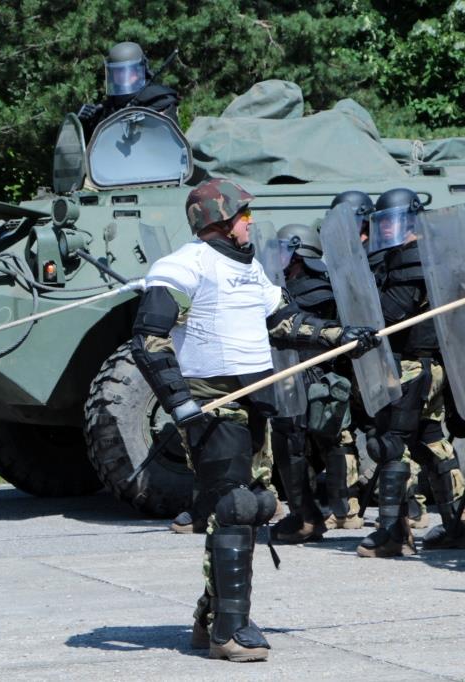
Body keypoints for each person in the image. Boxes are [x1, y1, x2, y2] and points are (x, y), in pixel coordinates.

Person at [130, 178, 377, 661]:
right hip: (208, 402)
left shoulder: (251, 271)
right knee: (236, 506)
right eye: (244, 216)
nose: (251, 223)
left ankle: (211, 613)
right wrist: (180, 405)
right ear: (220, 220)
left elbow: (285, 323)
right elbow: (149, 339)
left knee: (253, 505)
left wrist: (339, 334)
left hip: (253, 400)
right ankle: (229, 628)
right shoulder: (184, 267)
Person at [356, 188, 465, 558]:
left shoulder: (415, 259)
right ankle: (460, 525)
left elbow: (391, 313)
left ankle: (394, 532)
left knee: (391, 444)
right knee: (430, 442)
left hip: (413, 366)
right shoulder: (410, 256)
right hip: (419, 366)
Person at [269, 222, 363, 543]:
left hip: (311, 377)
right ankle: (343, 510)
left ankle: (322, 513)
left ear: (299, 255)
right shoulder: (302, 288)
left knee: (310, 443)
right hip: (309, 377)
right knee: (328, 442)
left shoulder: (311, 292)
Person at [76, 41, 180, 137]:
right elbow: (94, 148)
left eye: (128, 71)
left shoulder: (159, 101)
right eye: (119, 71)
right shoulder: (109, 106)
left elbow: (170, 144)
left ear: (141, 71)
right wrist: (84, 124)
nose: (123, 76)